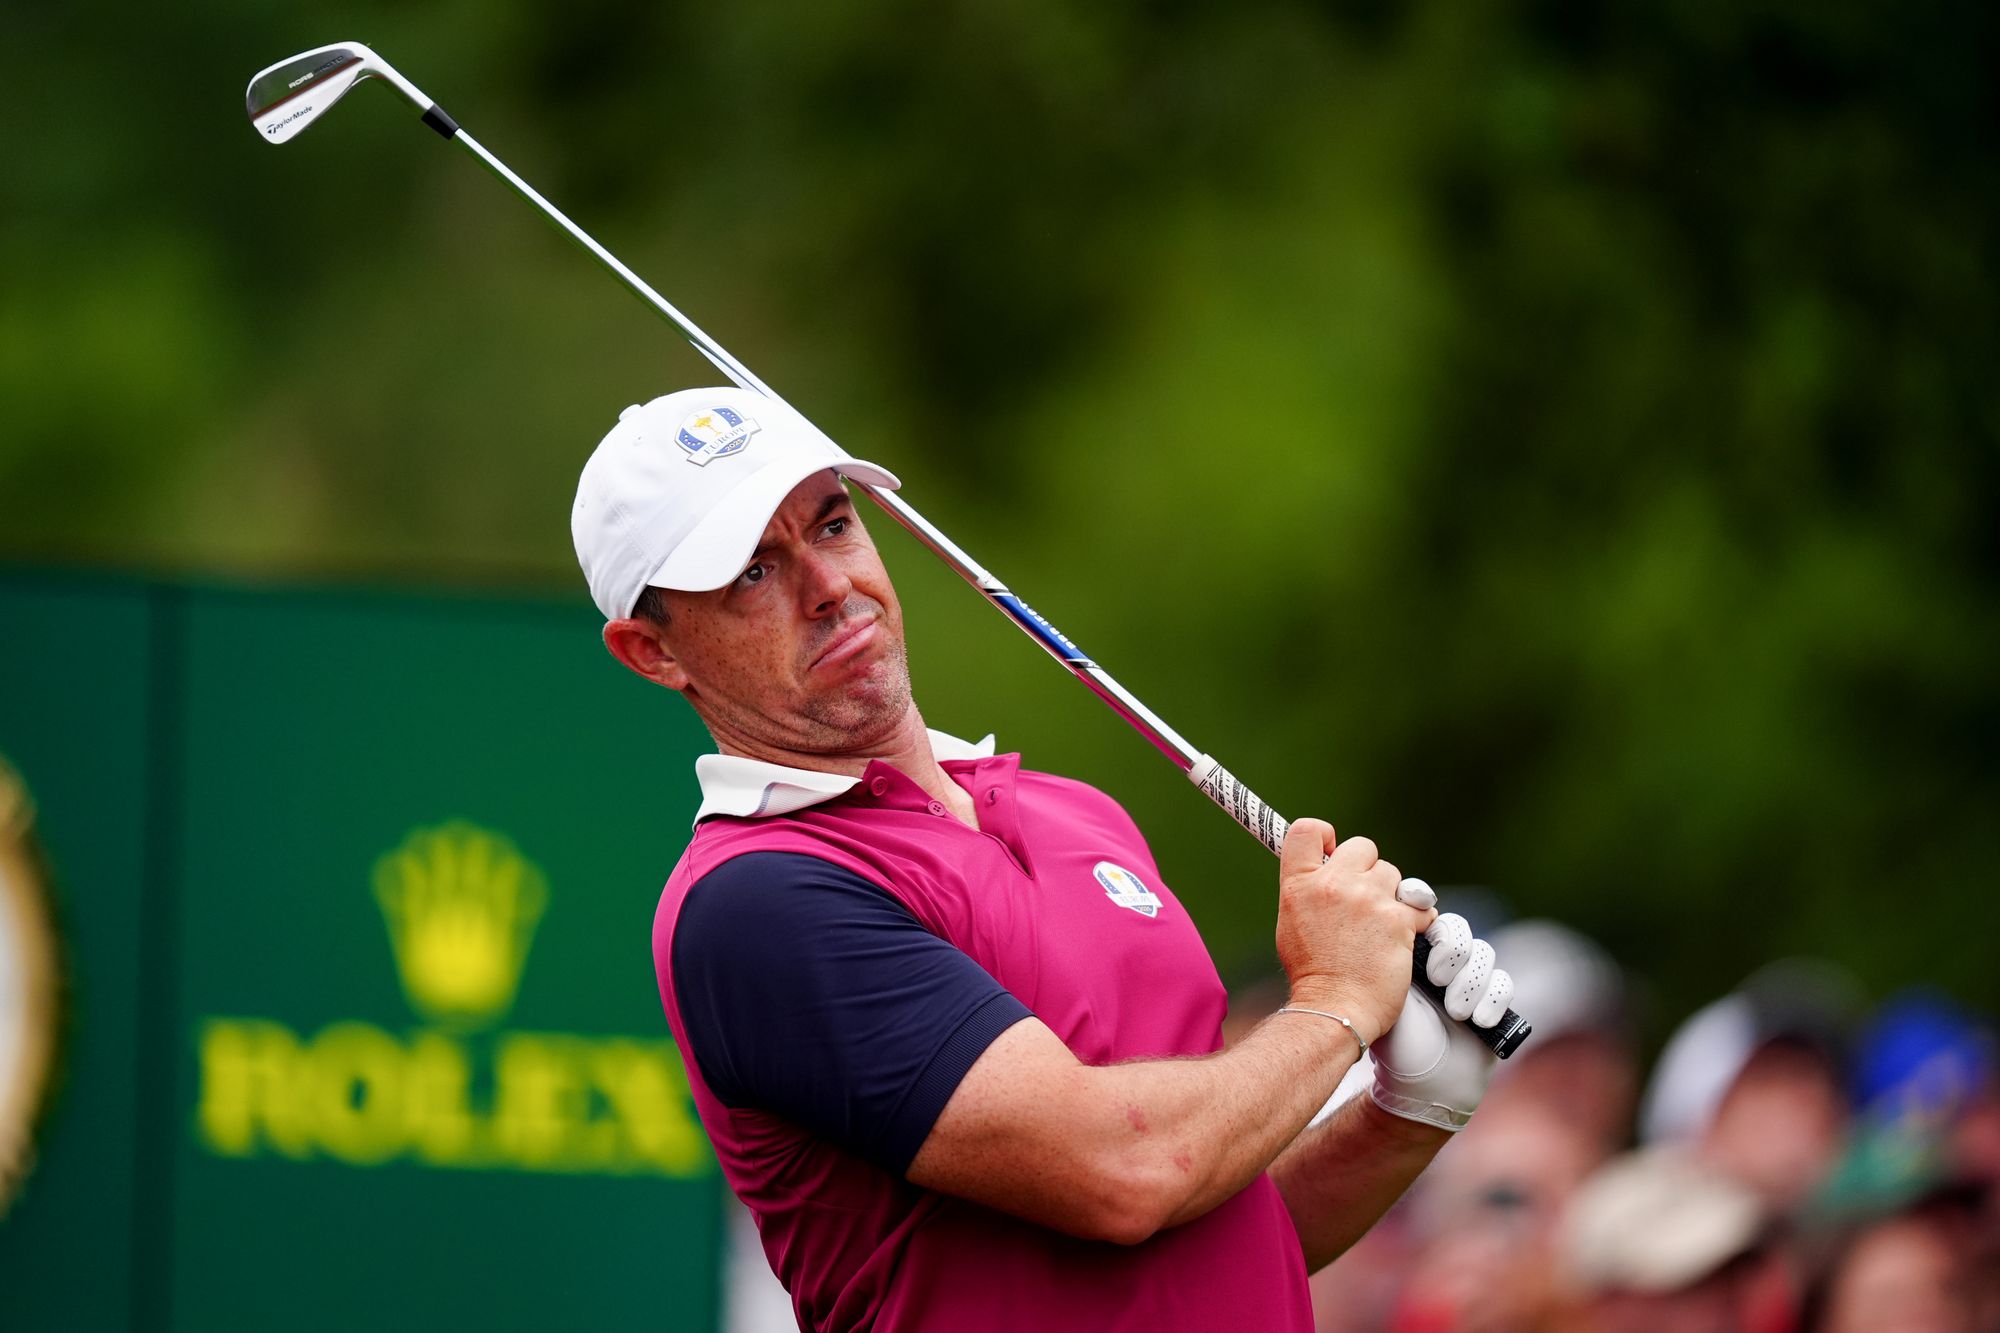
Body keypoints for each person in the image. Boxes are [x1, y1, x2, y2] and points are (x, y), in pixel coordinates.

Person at [572, 386, 1518, 1332]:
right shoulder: (758, 900)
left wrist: (1408, 1112)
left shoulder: (1076, 814)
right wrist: (1335, 1007)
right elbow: (1126, 1173)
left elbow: (1217, 1224)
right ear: (652, 650)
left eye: (833, 524)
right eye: (751, 573)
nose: (827, 585)